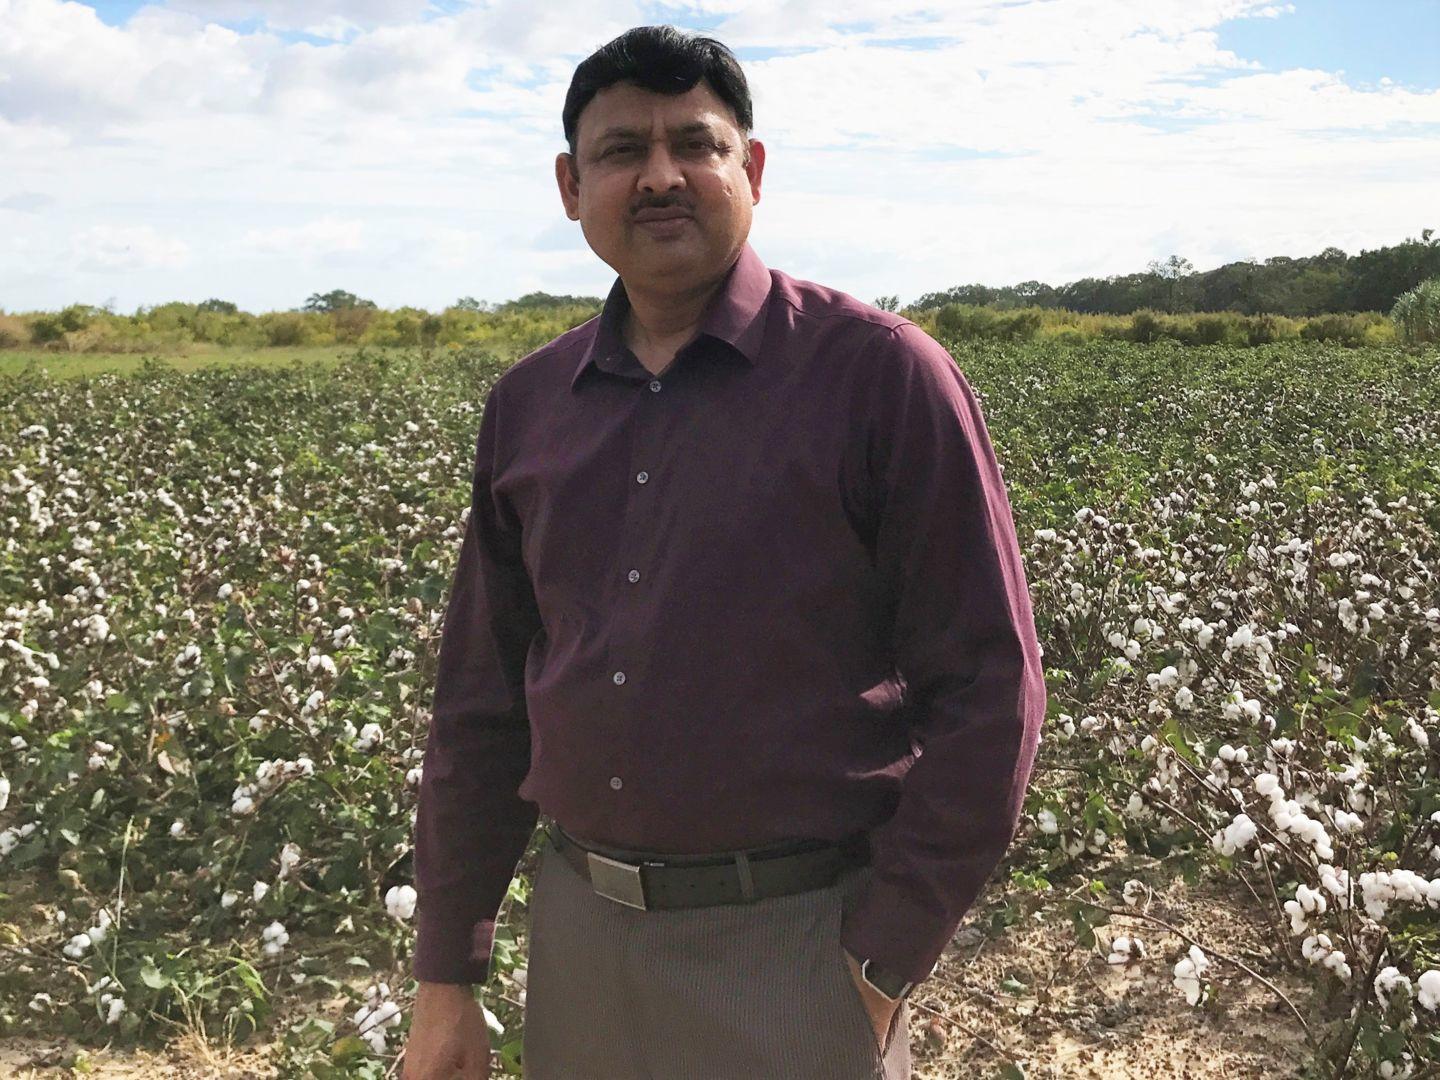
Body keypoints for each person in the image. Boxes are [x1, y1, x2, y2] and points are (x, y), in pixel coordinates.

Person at [400, 23, 1045, 1080]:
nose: (659, 177)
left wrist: (883, 955)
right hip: (580, 932)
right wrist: (446, 977)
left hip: (798, 938)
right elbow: (480, 704)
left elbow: (990, 686)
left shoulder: (881, 376)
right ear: (571, 186)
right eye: (620, 152)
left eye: (692, 144)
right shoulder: (528, 406)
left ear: (751, 169)